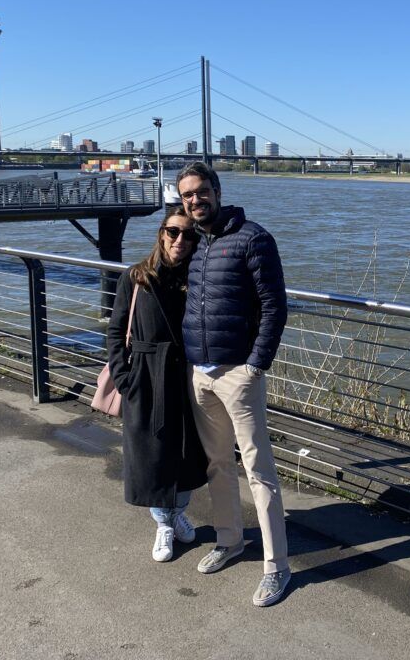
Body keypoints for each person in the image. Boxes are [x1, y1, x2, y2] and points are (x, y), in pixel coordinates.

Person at [177, 162, 291, 607]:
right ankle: (230, 540)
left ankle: (276, 567)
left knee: (259, 470)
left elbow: (274, 305)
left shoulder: (253, 238)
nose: (195, 200)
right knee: (218, 465)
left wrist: (255, 365)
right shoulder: (193, 242)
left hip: (238, 373)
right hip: (199, 373)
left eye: (201, 191)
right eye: (187, 195)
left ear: (218, 191)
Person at [106, 208, 208, 563]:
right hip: (147, 378)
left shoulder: (199, 278)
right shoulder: (136, 277)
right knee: (153, 456)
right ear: (161, 233)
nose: (181, 240)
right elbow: (116, 330)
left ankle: (177, 513)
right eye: (174, 231)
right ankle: (163, 523)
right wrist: (124, 379)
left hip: (188, 378)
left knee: (187, 455)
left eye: (189, 234)